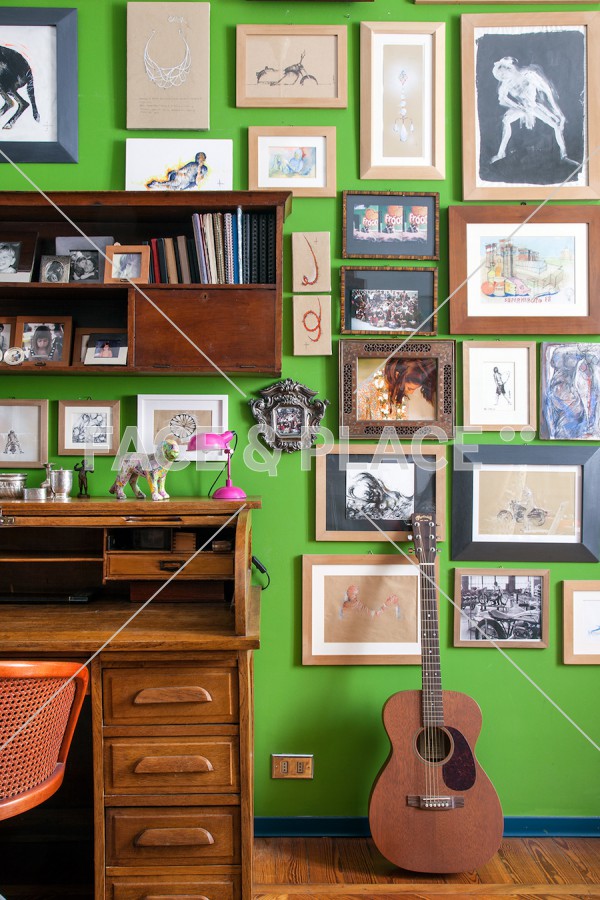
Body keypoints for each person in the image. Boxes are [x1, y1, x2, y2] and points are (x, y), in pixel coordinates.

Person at [490, 56, 569, 164]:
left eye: (503, 74)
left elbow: (547, 92)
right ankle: (501, 154)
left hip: (534, 106)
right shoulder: (507, 83)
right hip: (522, 108)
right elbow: (502, 99)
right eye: (501, 76)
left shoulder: (530, 75)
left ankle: (564, 155)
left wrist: (558, 112)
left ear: (510, 68)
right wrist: (518, 107)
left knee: (556, 124)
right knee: (506, 121)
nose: (503, 77)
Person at [357, 357, 437, 421]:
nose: (411, 393)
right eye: (409, 388)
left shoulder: (400, 394)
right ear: (397, 376)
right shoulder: (363, 393)